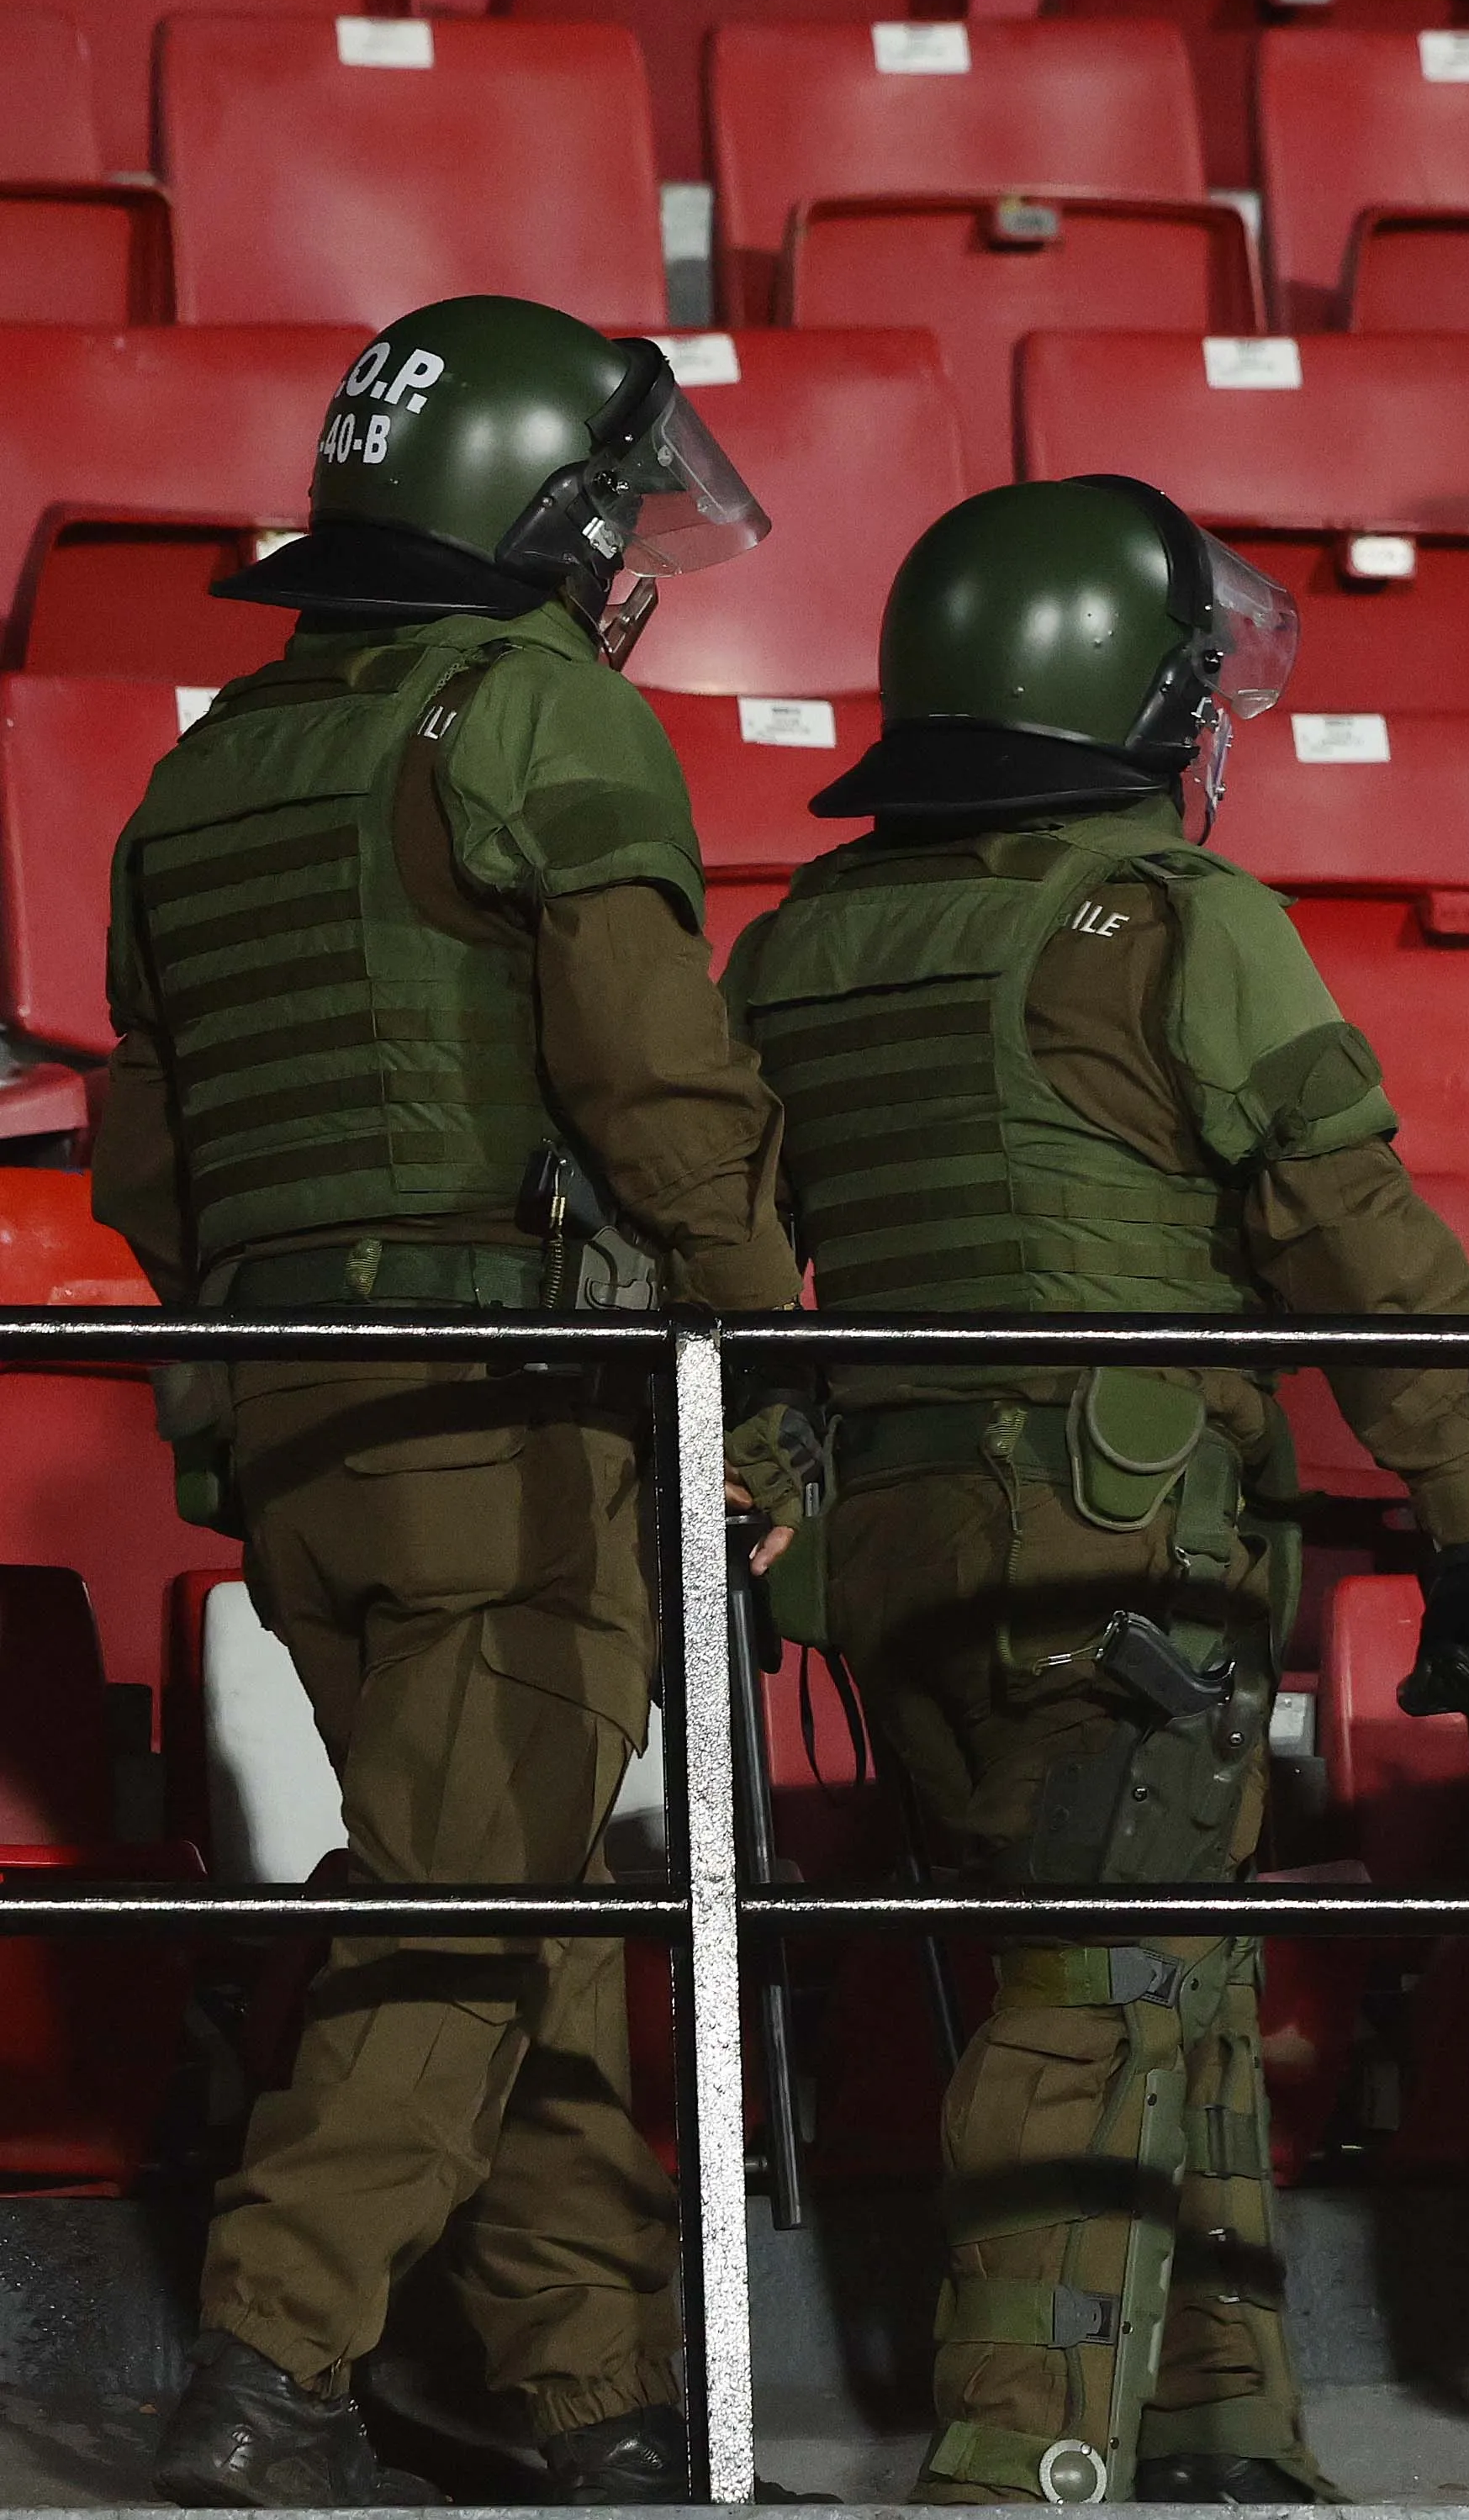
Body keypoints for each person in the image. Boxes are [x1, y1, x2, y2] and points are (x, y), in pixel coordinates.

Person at [720, 476, 1469, 2505]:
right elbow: (1359, 1240)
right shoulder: (1179, 918)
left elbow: (720, 1261)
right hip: (1120, 1542)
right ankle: (1024, 2464)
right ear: (1131, 697)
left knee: (1164, 1967)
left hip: (890, 1553)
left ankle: (1215, 2427)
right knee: (1104, 1994)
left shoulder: (798, 943)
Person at [94, 297, 799, 2506]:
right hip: (516, 1406)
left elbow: (149, 1157)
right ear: (537, 519)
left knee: (517, 1889)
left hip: (296, 1420)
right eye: (609, 516)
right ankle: (267, 2364)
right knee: (478, 1900)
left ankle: (583, 2394)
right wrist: (763, 1367)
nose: (624, 562)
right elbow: (660, 1085)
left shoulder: (202, 766)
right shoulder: (539, 718)